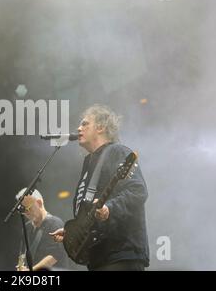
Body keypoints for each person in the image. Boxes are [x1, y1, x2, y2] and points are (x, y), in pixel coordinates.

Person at [50, 104, 149, 271]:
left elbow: (138, 191)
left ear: (101, 127)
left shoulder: (117, 151)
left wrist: (109, 208)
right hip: (99, 258)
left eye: (85, 124)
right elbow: (90, 210)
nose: (78, 128)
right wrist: (75, 233)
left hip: (121, 253)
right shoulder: (89, 162)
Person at [15, 188, 69, 271]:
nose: (26, 213)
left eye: (28, 208)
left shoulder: (55, 223)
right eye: (23, 210)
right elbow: (22, 253)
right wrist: (20, 266)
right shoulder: (27, 227)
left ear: (39, 203)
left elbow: (55, 255)